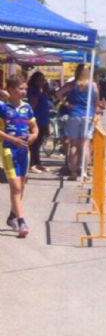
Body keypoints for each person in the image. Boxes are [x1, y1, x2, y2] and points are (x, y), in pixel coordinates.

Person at [1, 74, 38, 237]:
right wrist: (12, 139)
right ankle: (21, 221)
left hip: (24, 151)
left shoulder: (27, 108)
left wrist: (33, 136)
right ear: (10, 89)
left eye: (25, 89)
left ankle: (12, 216)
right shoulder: (3, 107)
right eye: (20, 88)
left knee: (21, 186)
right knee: (15, 187)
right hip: (9, 150)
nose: (23, 92)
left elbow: (34, 127)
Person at [56, 64, 100, 181]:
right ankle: (84, 172)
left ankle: (73, 172)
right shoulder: (93, 85)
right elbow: (96, 103)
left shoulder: (71, 85)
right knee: (85, 144)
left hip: (74, 115)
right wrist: (96, 113)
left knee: (74, 145)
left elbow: (58, 94)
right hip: (87, 115)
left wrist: (66, 104)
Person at [27, 71, 50, 173]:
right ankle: (32, 164)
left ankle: (37, 163)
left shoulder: (42, 91)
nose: (42, 82)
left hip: (43, 120)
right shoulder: (34, 91)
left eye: (43, 80)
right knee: (34, 144)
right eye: (40, 80)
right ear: (34, 81)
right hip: (36, 121)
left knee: (39, 143)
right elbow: (32, 105)